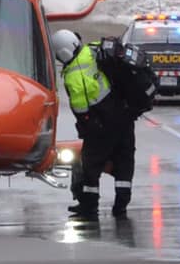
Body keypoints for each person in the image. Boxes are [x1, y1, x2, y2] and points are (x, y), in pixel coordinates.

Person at [54, 29, 151, 220]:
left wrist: (87, 127)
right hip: (125, 115)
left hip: (102, 124)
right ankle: (121, 206)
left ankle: (89, 207)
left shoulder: (75, 73)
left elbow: (81, 108)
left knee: (91, 165)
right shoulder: (92, 50)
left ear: (63, 53)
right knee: (124, 162)